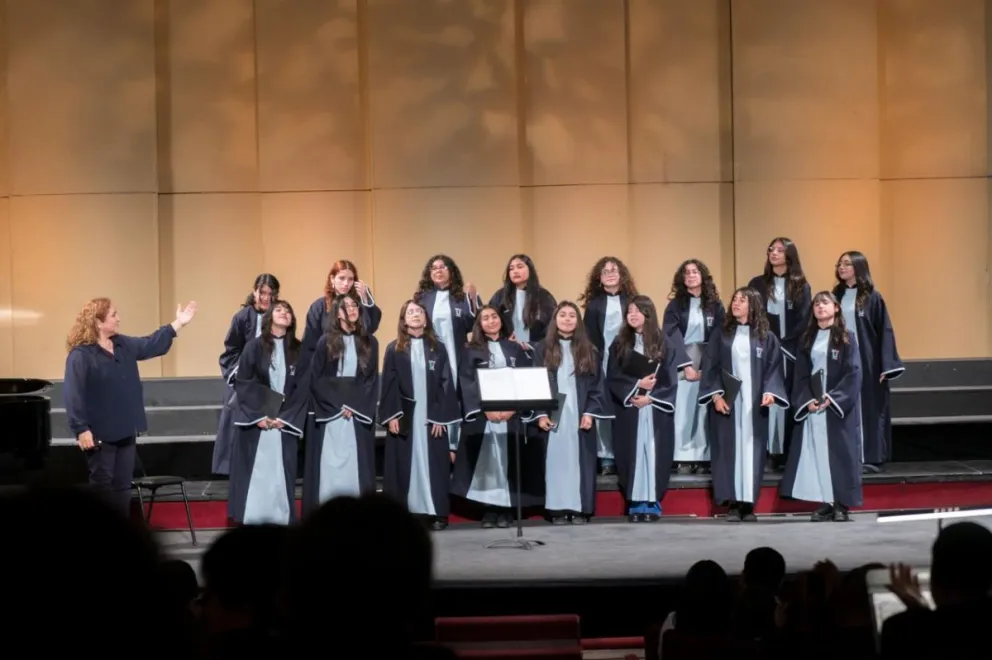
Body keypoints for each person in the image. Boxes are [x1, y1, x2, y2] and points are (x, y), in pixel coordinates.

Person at [63, 297, 196, 516]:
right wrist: (80, 428)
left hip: (125, 429)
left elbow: (151, 343)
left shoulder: (122, 344)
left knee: (122, 487)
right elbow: (73, 393)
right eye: (114, 315)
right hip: (99, 433)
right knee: (102, 488)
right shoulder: (81, 355)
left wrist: (178, 323)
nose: (119, 319)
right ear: (98, 322)